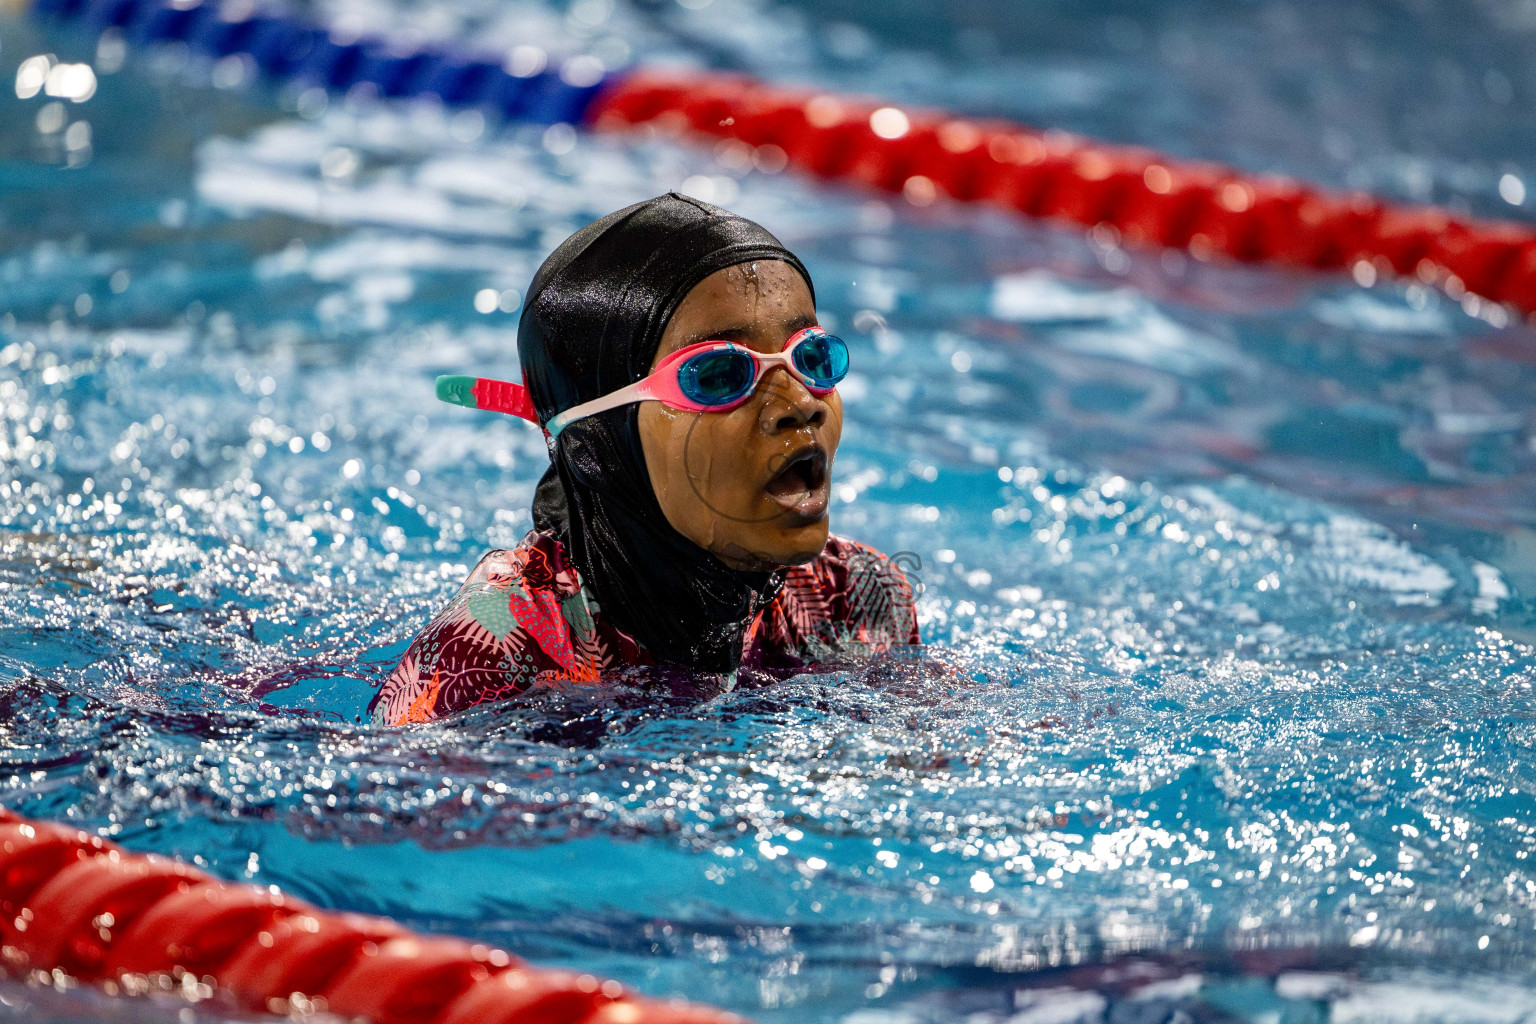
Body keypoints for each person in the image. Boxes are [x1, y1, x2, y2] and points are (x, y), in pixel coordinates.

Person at [370, 194, 920, 726]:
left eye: (811, 355)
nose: (801, 404)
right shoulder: (496, 654)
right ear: (596, 447)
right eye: (718, 375)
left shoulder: (854, 595)